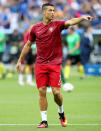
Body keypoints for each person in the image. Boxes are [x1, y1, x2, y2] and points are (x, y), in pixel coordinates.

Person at [16, 3, 93, 128]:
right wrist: (19, 60)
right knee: (41, 91)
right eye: (50, 10)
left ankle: (61, 112)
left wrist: (82, 18)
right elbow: (28, 45)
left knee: (56, 92)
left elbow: (70, 22)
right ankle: (44, 121)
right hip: (40, 64)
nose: (53, 13)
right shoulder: (35, 28)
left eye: (54, 10)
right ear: (44, 12)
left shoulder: (57, 25)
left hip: (55, 64)